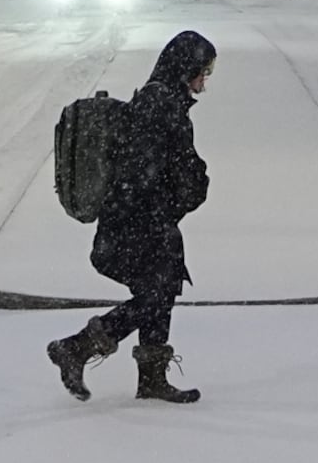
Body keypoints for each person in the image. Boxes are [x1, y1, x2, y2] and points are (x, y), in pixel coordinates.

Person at [50, 29, 215, 404]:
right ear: (185, 67)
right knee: (155, 296)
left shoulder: (161, 99)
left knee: (160, 293)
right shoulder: (162, 105)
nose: (204, 80)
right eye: (203, 70)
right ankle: (76, 347)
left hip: (142, 222)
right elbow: (152, 169)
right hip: (137, 225)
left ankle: (151, 379)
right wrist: (190, 184)